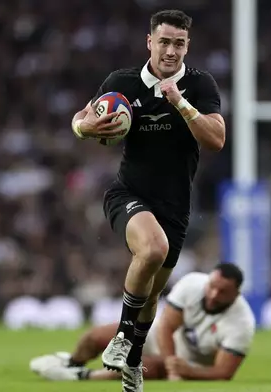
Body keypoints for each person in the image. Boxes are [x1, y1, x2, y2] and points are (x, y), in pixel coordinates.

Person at [69, 9, 225, 392]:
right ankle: (122, 338)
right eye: (164, 42)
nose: (171, 51)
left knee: (152, 295)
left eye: (179, 43)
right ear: (149, 42)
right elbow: (84, 118)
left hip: (175, 206)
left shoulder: (200, 85)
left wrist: (181, 103)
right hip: (129, 194)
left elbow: (216, 140)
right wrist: (82, 127)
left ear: (188, 45)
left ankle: (133, 360)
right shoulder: (122, 82)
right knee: (153, 249)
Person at [29, 263, 255, 383]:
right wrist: (170, 363)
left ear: (236, 294)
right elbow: (166, 326)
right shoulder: (193, 284)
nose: (214, 294)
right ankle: (73, 363)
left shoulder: (241, 322)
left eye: (223, 291)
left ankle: (82, 377)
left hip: (191, 361)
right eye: (212, 286)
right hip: (159, 337)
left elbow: (224, 372)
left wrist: (183, 370)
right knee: (96, 337)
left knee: (138, 366)